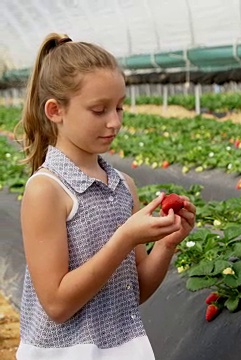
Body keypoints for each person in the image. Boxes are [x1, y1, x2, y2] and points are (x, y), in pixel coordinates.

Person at [15, 33, 196, 360]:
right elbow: (56, 304)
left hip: (124, 347)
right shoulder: (47, 190)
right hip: (67, 353)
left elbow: (134, 290)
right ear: (55, 110)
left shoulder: (123, 187)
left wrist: (168, 244)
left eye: (119, 107)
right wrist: (123, 239)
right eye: (99, 110)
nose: (114, 122)